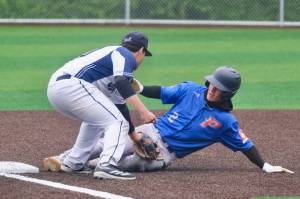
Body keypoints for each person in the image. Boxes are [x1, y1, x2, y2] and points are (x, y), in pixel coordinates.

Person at [46, 66, 294, 175]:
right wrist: (140, 88)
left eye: (219, 89)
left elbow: (246, 145)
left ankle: (88, 166)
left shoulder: (225, 122)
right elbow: (163, 92)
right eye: (212, 84)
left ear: (228, 94)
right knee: (108, 143)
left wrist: (265, 166)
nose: (212, 89)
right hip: (149, 130)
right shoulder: (191, 90)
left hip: (164, 154)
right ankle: (64, 159)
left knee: (125, 163)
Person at [43, 31, 156, 180]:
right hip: (71, 86)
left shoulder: (115, 64)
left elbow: (120, 107)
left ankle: (73, 162)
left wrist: (135, 137)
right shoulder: (123, 54)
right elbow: (122, 82)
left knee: (100, 120)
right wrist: (144, 112)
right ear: (141, 50)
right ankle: (107, 165)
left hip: (59, 88)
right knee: (117, 123)